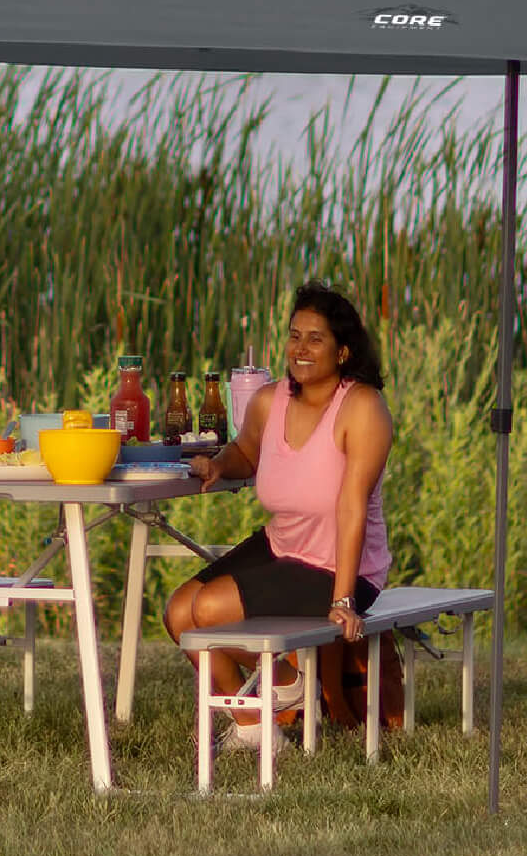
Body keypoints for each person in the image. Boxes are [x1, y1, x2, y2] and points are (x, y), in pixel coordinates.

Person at [163, 282, 392, 751]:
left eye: (315, 339)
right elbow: (247, 451)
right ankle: (255, 722)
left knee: (208, 610)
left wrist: (344, 599)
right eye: (294, 336)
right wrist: (219, 465)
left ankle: (289, 685)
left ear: (343, 351)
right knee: (179, 612)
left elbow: (352, 506)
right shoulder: (270, 400)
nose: (300, 348)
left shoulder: (362, 408)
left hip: (340, 566)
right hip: (282, 546)